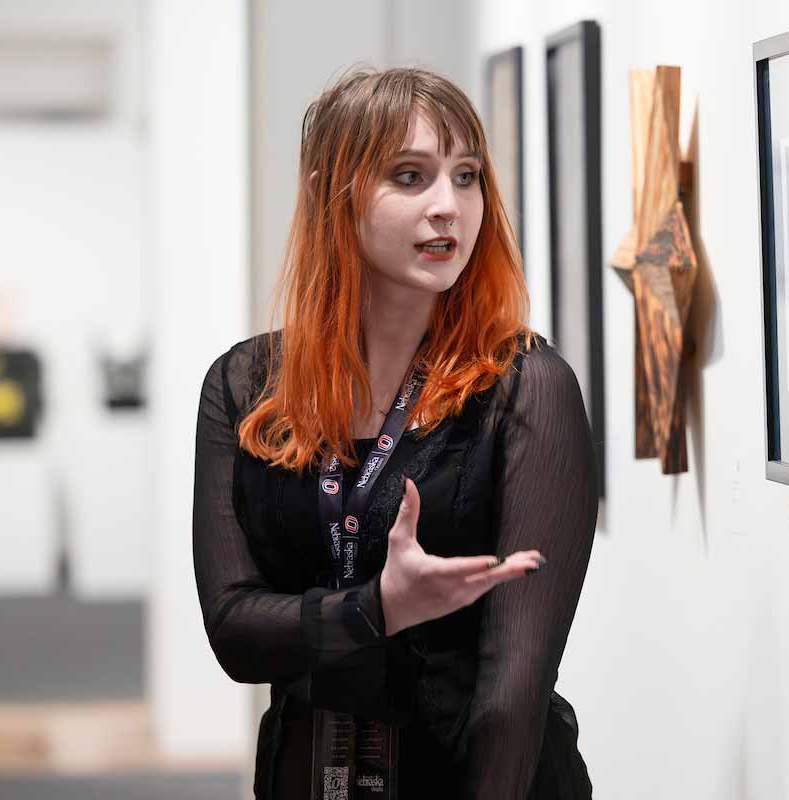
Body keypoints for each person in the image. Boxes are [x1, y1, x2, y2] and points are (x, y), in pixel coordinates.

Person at [192, 66, 598, 799]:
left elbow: (514, 690)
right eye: (410, 176)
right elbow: (234, 630)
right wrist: (379, 608)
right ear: (332, 192)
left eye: (466, 175)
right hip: (308, 772)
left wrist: (328, 621)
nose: (449, 207)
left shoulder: (527, 387)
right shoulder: (246, 387)